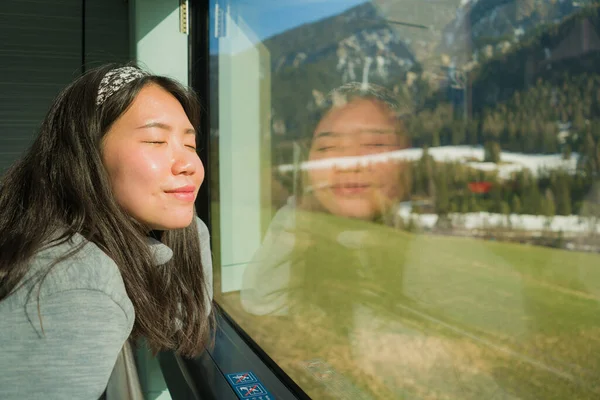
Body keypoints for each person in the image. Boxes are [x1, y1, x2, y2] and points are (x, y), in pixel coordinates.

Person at [0, 64, 214, 399]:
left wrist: (190, 232)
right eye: (156, 140)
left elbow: (179, 324)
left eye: (190, 144)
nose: (189, 164)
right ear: (86, 155)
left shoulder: (55, 230)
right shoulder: (77, 287)